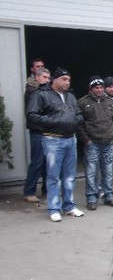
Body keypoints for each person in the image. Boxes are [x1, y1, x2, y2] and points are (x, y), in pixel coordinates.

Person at [26, 68, 84, 222]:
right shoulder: (41, 95)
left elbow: (79, 114)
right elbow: (32, 115)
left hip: (71, 139)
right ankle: (53, 208)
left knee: (69, 176)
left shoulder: (70, 96)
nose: (67, 82)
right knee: (54, 177)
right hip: (53, 139)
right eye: (64, 79)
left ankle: (69, 206)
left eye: (69, 80)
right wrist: (53, 122)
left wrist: (76, 122)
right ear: (55, 79)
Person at [77, 76, 113, 210]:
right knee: (91, 171)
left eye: (101, 87)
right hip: (92, 143)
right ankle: (91, 198)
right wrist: (86, 140)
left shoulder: (110, 102)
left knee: (108, 171)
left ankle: (108, 196)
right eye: (97, 88)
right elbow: (79, 124)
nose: (100, 90)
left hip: (108, 142)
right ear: (91, 89)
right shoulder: (83, 102)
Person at [23, 66, 51, 203]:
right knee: (37, 161)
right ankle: (29, 192)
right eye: (44, 77)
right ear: (37, 77)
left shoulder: (46, 91)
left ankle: (46, 190)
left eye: (48, 77)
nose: (47, 80)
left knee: (48, 162)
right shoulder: (32, 91)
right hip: (37, 131)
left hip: (47, 131)